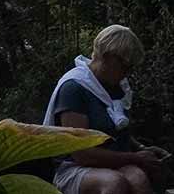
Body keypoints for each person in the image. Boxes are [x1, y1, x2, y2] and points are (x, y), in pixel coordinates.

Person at [43, 25, 167, 194]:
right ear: (108, 57)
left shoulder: (114, 86)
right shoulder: (74, 88)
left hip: (111, 161)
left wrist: (141, 148)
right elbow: (82, 154)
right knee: (114, 183)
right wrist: (135, 157)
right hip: (73, 168)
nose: (127, 72)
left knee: (138, 178)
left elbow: (115, 131)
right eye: (125, 66)